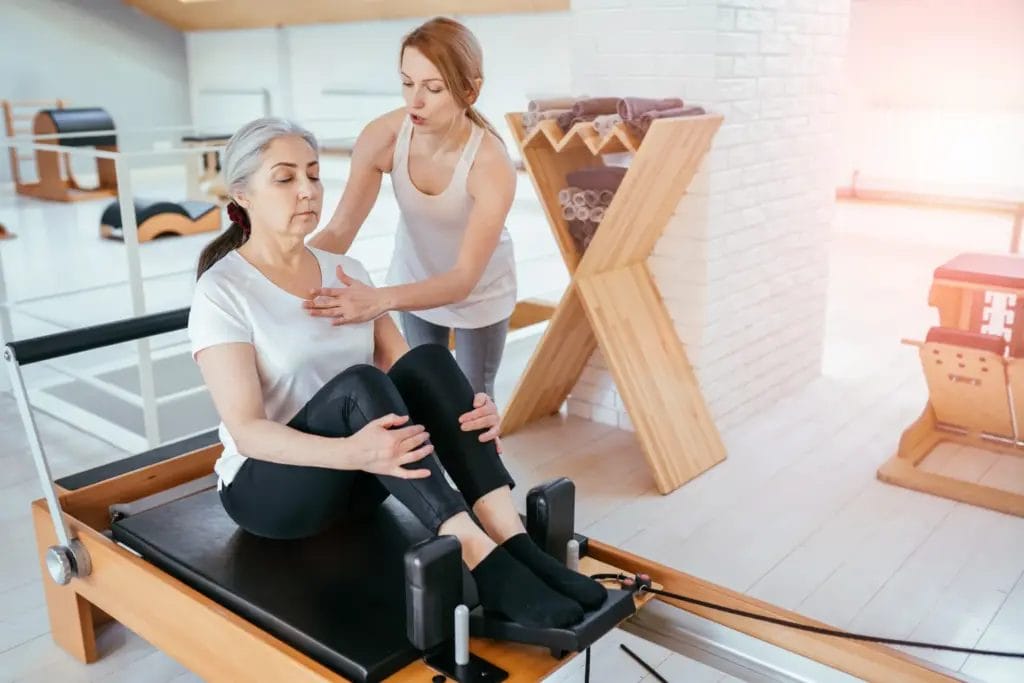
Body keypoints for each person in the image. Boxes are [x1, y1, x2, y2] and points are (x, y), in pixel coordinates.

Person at [188, 117, 605, 630]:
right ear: (242, 194)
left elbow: (413, 375)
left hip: (364, 479)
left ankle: (512, 539)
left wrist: (467, 414)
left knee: (431, 361)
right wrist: (351, 452)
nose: (307, 191)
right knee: (359, 387)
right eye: (285, 178)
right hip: (272, 492)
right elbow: (248, 432)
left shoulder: (346, 271)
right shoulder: (222, 290)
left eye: (314, 175)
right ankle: (482, 560)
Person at [305, 17, 517, 400]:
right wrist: (279, 270)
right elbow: (340, 230)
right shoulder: (382, 137)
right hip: (414, 277)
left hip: (478, 293)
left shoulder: (490, 165)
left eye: (433, 88)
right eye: (407, 83)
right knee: (424, 393)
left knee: (473, 402)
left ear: (470, 92)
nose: (414, 102)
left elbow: (463, 278)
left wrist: (379, 299)